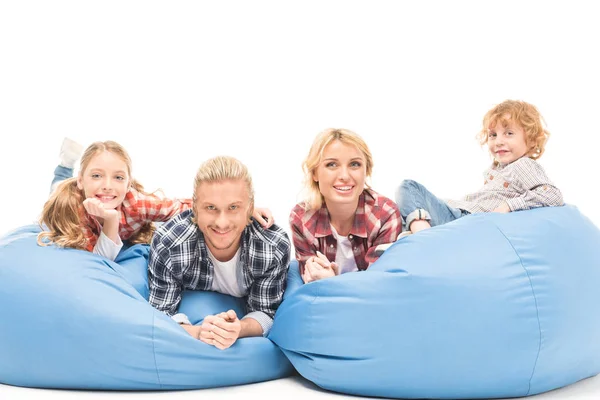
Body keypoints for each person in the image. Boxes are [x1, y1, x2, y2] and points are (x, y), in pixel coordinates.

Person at [38, 139, 273, 261]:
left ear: (128, 183)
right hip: (66, 198)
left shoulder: (135, 203)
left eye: (118, 177)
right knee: (57, 187)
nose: (108, 185)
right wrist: (110, 220)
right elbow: (99, 261)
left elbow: (182, 206)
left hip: (119, 214)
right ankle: (66, 165)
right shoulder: (74, 208)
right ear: (82, 180)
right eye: (97, 176)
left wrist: (241, 209)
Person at [148, 155, 291, 350]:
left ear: (249, 208)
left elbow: (266, 312)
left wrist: (238, 328)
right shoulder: (169, 243)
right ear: (195, 209)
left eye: (233, 207)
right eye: (211, 208)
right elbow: (159, 314)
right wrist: (199, 332)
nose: (221, 222)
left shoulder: (272, 246)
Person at [395, 99, 564, 237]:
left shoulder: (523, 165)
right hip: (463, 216)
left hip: (469, 220)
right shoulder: (498, 169)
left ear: (532, 140)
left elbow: (552, 194)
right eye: (493, 135)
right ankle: (417, 233)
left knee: (409, 187)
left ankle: (423, 238)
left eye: (509, 133)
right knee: (411, 205)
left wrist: (509, 205)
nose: (498, 141)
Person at [289, 128, 402, 284]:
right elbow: (311, 286)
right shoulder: (301, 218)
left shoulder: (385, 214)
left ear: (366, 171)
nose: (344, 176)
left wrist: (333, 282)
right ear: (314, 173)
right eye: (332, 164)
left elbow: (378, 287)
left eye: (354, 164)